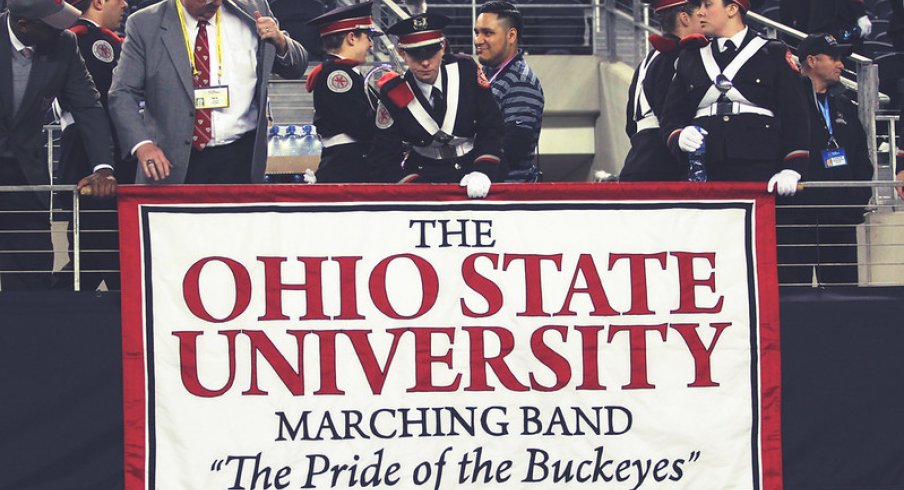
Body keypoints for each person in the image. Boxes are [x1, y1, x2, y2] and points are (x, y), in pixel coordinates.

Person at [108, 0, 307, 185]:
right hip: (170, 161)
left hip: (240, 159)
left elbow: (296, 67)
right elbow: (122, 92)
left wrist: (280, 40)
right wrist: (142, 145)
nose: (214, 4)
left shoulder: (253, 9)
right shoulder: (145, 23)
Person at [0, 0, 115, 290]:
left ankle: (27, 336)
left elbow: (88, 106)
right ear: (23, 25)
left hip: (26, 176)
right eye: (52, 24)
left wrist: (102, 166)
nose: (62, 28)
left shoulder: (64, 43)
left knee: (32, 274)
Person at [660, 0, 809, 195]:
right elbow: (671, 115)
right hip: (705, 168)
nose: (700, 13)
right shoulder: (691, 56)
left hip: (758, 165)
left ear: (732, 9)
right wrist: (679, 136)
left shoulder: (772, 53)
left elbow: (796, 116)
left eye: (708, 5)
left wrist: (792, 168)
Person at [368, 13, 504, 198]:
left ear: (442, 47)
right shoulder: (393, 93)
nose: (425, 62)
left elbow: (492, 126)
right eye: (415, 54)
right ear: (402, 54)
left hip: (475, 172)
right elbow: (384, 156)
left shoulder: (466, 71)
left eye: (431, 52)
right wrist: (414, 186)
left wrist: (484, 169)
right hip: (425, 179)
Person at [778, 33, 873, 285]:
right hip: (798, 217)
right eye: (834, 58)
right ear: (811, 61)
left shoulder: (844, 104)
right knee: (793, 291)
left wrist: (855, 201)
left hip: (839, 217)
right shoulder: (786, 103)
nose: (841, 65)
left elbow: (860, 157)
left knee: (844, 294)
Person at [54, 0, 130, 290]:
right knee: (96, 243)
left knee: (104, 246)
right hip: (90, 150)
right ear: (98, 2)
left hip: (107, 151)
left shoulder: (107, 40)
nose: (125, 4)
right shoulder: (84, 39)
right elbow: (95, 106)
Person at [620, 0, 703, 182]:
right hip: (663, 167)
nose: (705, 16)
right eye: (700, 11)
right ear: (684, 18)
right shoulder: (677, 55)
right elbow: (669, 113)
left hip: (638, 160)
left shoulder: (648, 59)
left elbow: (630, 124)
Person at [305, 1, 381, 183]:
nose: (371, 44)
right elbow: (362, 126)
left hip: (350, 163)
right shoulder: (337, 75)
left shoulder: (346, 72)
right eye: (368, 37)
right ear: (352, 37)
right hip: (348, 166)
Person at [474, 1, 544, 182]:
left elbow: (513, 149)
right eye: (477, 32)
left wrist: (474, 171)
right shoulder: (486, 73)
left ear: (511, 36)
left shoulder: (521, 81)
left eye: (487, 33)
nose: (478, 40)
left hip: (506, 198)